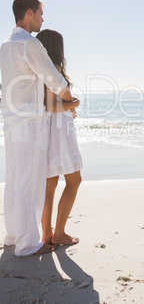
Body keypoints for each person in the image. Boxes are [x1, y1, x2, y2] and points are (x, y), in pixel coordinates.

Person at [0, 0, 80, 256]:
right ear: (30, 13)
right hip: (30, 122)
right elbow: (54, 80)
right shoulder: (29, 44)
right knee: (27, 182)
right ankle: (26, 244)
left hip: (11, 122)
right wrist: (72, 101)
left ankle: (13, 236)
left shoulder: (5, 46)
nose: (42, 19)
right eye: (40, 14)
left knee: (13, 180)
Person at [36, 29, 82, 246]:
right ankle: (60, 233)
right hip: (59, 132)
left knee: (51, 184)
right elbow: (52, 104)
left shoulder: (45, 68)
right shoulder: (53, 68)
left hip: (51, 129)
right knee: (74, 181)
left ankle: (47, 235)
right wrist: (74, 104)